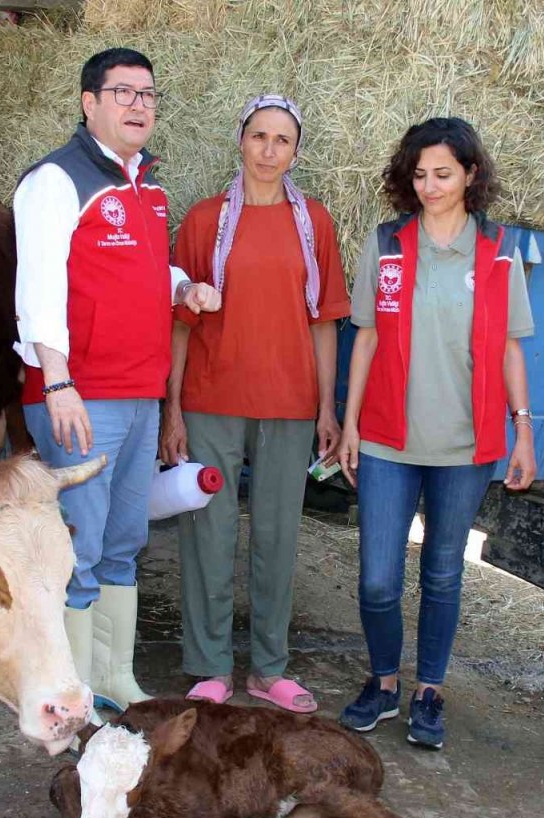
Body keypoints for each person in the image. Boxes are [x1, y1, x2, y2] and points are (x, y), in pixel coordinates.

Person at [11, 48, 221, 712]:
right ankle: (71, 689)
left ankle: (114, 677)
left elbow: (138, 272)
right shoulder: (55, 180)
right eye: (123, 92)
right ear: (88, 102)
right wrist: (56, 381)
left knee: (125, 541)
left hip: (137, 392)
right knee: (82, 543)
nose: (138, 105)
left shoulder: (147, 188)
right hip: (81, 394)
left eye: (148, 95)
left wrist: (184, 285)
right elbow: (37, 289)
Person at [335, 117, 537, 750]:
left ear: (471, 175)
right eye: (419, 174)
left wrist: (522, 432)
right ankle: (385, 681)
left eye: (442, 174)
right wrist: (349, 423)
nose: (429, 186)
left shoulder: (500, 250)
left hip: (464, 445)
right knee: (377, 577)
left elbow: (509, 347)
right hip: (388, 440)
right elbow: (364, 335)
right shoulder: (387, 242)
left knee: (444, 573)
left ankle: (430, 691)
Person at [161, 94, 351, 712]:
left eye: (283, 141)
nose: (269, 151)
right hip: (212, 397)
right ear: (240, 140)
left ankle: (270, 668)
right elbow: (180, 322)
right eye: (259, 136)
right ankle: (210, 666)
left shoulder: (314, 222)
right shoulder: (203, 220)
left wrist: (327, 406)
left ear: (296, 152)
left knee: (278, 537)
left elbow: (325, 321)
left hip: (290, 403)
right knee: (208, 534)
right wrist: (172, 411)